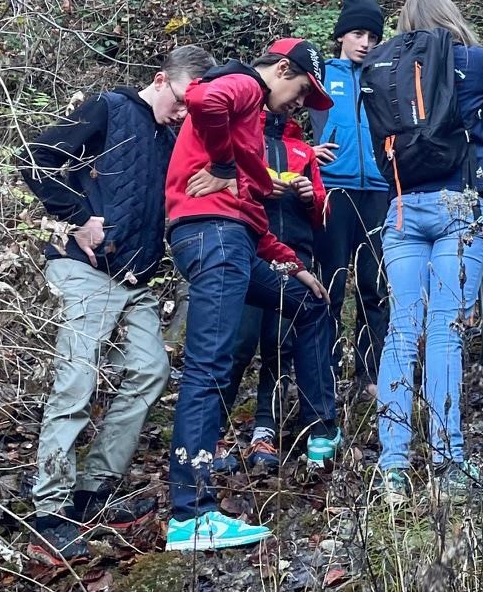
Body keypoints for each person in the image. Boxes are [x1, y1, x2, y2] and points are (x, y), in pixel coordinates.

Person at [17, 46, 209, 561]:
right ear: (160, 79)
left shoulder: (170, 139)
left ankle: (93, 489)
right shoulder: (107, 108)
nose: (186, 112)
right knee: (75, 383)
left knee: (150, 370)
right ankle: (49, 508)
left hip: (135, 278)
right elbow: (35, 157)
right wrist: (78, 216)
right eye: (183, 99)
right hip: (83, 270)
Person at [369, 0, 483, 500]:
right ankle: (449, 466)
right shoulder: (470, 60)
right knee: (445, 332)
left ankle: (394, 470)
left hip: (400, 208)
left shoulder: (381, 69)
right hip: (459, 206)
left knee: (402, 333)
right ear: (452, 18)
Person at [164, 40, 335, 551]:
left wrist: (291, 264)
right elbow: (202, 101)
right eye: (302, 91)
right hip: (211, 235)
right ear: (283, 69)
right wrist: (221, 162)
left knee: (308, 305)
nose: (300, 105)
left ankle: (320, 426)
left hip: (233, 238)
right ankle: (191, 517)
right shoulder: (244, 86)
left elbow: (253, 215)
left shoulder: (253, 130)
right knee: (209, 363)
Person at [224, 88, 336, 476]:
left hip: (296, 255)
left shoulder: (302, 150)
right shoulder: (242, 134)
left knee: (279, 344)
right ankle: (215, 433)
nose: (299, 103)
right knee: (237, 343)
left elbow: (322, 212)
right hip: (250, 250)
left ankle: (264, 430)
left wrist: (309, 197)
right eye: (299, 93)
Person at [315, 0, 391, 392]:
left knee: (373, 284)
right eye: (358, 34)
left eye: (373, 37)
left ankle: (370, 374)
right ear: (342, 35)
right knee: (330, 283)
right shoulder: (321, 75)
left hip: (378, 191)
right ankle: (323, 370)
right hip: (332, 189)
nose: (365, 43)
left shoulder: (384, 76)